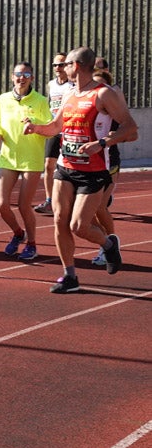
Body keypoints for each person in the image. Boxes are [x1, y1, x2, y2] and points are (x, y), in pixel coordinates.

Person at [23, 47, 138, 292]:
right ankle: (70, 276)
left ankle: (108, 245)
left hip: (94, 171)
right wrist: (35, 128)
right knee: (59, 222)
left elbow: (131, 128)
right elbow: (55, 127)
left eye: (66, 64)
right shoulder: (69, 95)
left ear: (76, 66)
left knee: (79, 226)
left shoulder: (103, 94)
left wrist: (102, 143)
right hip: (66, 167)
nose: (62, 68)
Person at [0, 62, 51, 261]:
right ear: (12, 76)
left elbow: (50, 126)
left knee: (24, 206)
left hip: (30, 159)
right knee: (1, 204)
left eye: (26, 74)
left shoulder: (40, 101)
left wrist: (35, 126)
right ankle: (18, 233)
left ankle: (32, 244)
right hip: (7, 157)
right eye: (18, 74)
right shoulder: (3, 99)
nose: (21, 77)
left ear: (32, 78)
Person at [89, 66, 124, 267]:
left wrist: (106, 141)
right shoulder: (82, 105)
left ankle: (109, 246)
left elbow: (128, 131)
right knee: (82, 214)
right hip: (85, 165)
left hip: (108, 162)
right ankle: (106, 243)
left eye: (101, 85)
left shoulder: (113, 108)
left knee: (100, 207)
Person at [34, 53, 73, 216]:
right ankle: (50, 200)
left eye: (61, 64)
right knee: (49, 165)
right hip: (54, 130)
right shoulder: (51, 85)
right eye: (55, 65)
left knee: (70, 167)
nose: (58, 68)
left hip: (69, 131)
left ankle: (72, 200)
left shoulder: (73, 85)